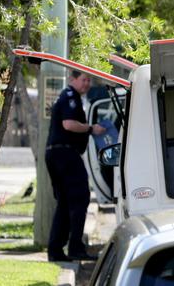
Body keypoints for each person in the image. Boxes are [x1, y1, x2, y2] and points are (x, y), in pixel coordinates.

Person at [46, 70, 106, 262]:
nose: (87, 84)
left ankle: (56, 250)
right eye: (84, 79)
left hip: (59, 154)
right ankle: (75, 247)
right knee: (80, 198)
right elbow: (69, 124)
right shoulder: (70, 96)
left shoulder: (70, 97)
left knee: (65, 203)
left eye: (89, 80)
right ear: (72, 79)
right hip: (65, 154)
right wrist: (90, 128)